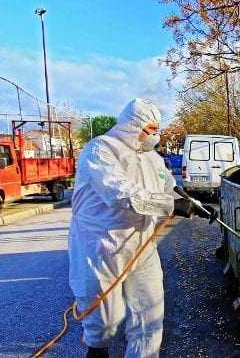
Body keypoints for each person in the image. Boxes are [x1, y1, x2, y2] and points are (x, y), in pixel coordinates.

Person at [68, 98, 215, 358]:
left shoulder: (152, 159)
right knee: (104, 320)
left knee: (150, 311)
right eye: (151, 129)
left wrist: (194, 203)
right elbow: (118, 192)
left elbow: (169, 186)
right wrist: (170, 205)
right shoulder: (100, 150)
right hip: (103, 246)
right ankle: (97, 348)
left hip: (142, 245)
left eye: (158, 129)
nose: (155, 135)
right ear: (132, 125)